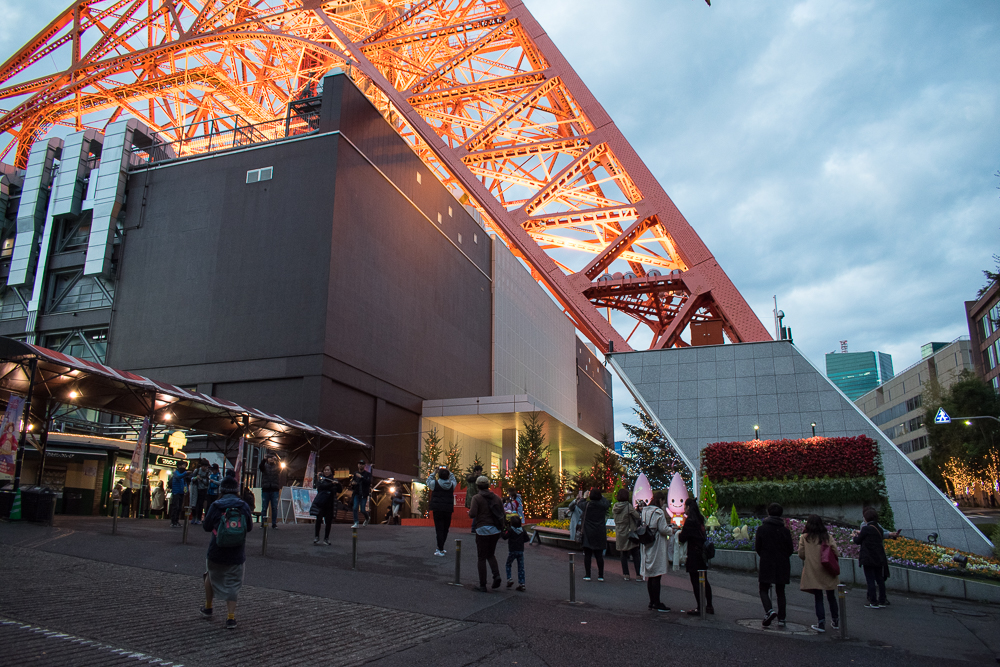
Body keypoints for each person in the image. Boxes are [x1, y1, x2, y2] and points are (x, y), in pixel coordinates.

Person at [200, 471, 253, 630]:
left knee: (210, 574)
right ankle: (231, 618)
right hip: (236, 552)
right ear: (237, 490)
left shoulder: (216, 505)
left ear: (221, 490)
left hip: (216, 550)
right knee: (233, 583)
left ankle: (208, 607)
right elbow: (249, 528)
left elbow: (206, 527)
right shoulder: (243, 506)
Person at [799, 514, 840, 633]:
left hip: (813, 571)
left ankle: (821, 623)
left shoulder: (805, 538)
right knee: (831, 596)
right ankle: (835, 620)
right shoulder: (827, 537)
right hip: (828, 569)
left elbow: (801, 554)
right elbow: (835, 552)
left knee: (818, 597)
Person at [755, 502, 793, 628]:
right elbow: (790, 549)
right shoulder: (785, 531)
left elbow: (758, 547)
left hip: (767, 562)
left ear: (768, 513)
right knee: (780, 591)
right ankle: (782, 618)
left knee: (763, 589)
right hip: (782, 563)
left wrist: (765, 555)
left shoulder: (762, 529)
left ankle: (769, 611)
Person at [468, 475, 504, 592]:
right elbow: (502, 513)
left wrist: (470, 513)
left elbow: (473, 514)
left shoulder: (476, 498)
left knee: (481, 557)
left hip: (482, 529)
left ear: (478, 486)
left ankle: (482, 585)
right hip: (495, 530)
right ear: (488, 485)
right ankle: (496, 575)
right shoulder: (497, 498)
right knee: (491, 554)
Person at [678, 497, 713, 615]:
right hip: (703, 554)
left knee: (695, 581)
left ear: (688, 507)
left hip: (693, 554)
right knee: (704, 580)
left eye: (684, 507)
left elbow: (682, 538)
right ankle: (709, 606)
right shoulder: (700, 519)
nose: (684, 509)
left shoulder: (689, 521)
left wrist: (679, 532)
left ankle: (700, 607)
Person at [640, 491, 673, 612]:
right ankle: (657, 602)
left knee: (650, 575)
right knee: (657, 575)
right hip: (657, 544)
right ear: (661, 500)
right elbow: (663, 529)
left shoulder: (645, 511)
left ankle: (651, 601)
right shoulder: (658, 512)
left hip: (646, 542)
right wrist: (672, 530)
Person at [853, 507, 888, 609]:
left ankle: (873, 601)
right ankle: (882, 600)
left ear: (866, 518)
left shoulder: (866, 528)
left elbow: (858, 541)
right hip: (879, 557)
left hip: (868, 557)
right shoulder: (879, 529)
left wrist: (854, 536)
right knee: (880, 579)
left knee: (870, 580)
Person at [572, 488, 610, 581]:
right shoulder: (602, 505)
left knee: (587, 555)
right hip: (600, 532)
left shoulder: (587, 505)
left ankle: (587, 575)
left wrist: (584, 497)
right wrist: (602, 497)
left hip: (588, 532)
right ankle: (600, 576)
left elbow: (579, 504)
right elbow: (607, 504)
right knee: (599, 555)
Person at [613, 488, 643, 581]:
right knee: (635, 554)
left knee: (623, 554)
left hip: (620, 532)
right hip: (630, 533)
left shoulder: (615, 506)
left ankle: (626, 574)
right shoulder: (628, 506)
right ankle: (638, 575)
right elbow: (637, 516)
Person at [428, 466, 456, 556]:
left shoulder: (434, 484)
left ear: (439, 475)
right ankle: (441, 547)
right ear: (448, 476)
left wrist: (434, 472)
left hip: (437, 508)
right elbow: (453, 479)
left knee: (439, 529)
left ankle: (439, 548)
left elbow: (428, 481)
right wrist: (449, 471)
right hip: (448, 509)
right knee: (445, 529)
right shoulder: (452, 485)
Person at [312, 465, 342, 545]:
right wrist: (331, 484)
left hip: (330, 503)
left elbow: (340, 490)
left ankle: (326, 538)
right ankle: (317, 536)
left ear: (331, 471)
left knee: (328, 521)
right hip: (321, 503)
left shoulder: (334, 480)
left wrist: (338, 484)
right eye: (325, 470)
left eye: (328, 470)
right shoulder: (321, 480)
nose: (326, 471)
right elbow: (321, 487)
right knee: (318, 519)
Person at [503, 514, 529, 591]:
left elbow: (505, 537)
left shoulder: (510, 530)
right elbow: (527, 539)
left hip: (512, 550)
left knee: (508, 564)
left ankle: (509, 579)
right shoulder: (522, 530)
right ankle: (522, 583)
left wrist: (502, 531)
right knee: (521, 567)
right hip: (520, 550)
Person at [258, 454, 282, 529]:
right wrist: (264, 460)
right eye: (270, 458)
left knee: (274, 507)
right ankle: (264, 523)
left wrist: (278, 460)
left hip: (274, 489)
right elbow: (260, 467)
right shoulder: (265, 467)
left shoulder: (277, 467)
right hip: (266, 488)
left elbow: (280, 468)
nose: (271, 459)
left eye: (272, 458)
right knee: (265, 507)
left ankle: (274, 524)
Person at [350, 459, 372, 528]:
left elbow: (368, 482)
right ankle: (356, 522)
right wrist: (352, 484)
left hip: (364, 494)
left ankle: (367, 517)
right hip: (356, 493)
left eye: (362, 464)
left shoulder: (367, 474)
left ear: (364, 465)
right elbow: (353, 482)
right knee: (355, 507)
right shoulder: (355, 474)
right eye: (359, 464)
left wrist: (362, 477)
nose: (360, 465)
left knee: (362, 509)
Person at [169, 460, 191, 527]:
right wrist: (186, 473)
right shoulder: (176, 472)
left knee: (179, 507)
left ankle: (177, 521)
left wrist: (186, 490)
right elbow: (179, 476)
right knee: (175, 507)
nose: (184, 467)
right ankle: (173, 521)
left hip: (181, 492)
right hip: (176, 492)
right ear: (179, 466)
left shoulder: (182, 474)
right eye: (183, 465)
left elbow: (184, 483)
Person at [192, 460, 211, 525]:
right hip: (196, 488)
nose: (205, 468)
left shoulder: (208, 472)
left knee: (200, 504)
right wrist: (195, 478)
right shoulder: (196, 471)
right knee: (194, 503)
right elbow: (192, 478)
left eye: (206, 467)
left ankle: (199, 518)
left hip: (203, 489)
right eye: (204, 466)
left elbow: (208, 482)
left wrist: (201, 479)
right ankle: (194, 517)